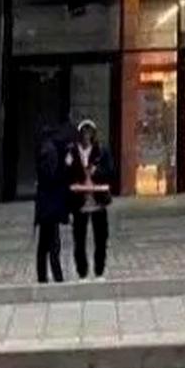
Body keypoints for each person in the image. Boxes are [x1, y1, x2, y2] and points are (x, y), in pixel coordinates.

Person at [67, 117, 117, 279]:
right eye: (84, 132)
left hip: (98, 201)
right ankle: (82, 272)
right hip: (79, 202)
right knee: (79, 239)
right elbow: (67, 172)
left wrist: (97, 172)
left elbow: (111, 172)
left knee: (101, 239)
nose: (86, 135)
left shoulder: (101, 151)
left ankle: (99, 271)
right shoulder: (72, 151)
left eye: (89, 132)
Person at [33, 121, 72, 284]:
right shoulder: (51, 152)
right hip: (50, 205)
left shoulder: (46, 149)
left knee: (44, 244)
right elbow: (52, 178)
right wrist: (66, 166)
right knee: (53, 244)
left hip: (46, 205)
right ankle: (57, 277)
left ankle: (44, 277)